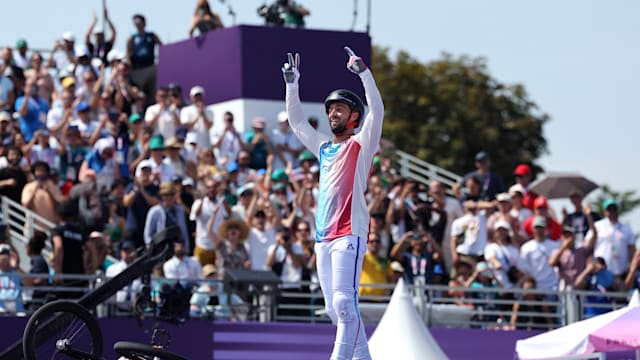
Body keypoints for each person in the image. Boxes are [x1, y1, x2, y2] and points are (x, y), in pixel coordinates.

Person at [282, 46, 383, 360]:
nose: (332, 114)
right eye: (330, 109)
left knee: (343, 303)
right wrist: (292, 84)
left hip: (349, 234)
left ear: (353, 115)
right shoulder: (323, 147)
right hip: (322, 238)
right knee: (333, 308)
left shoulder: (361, 145)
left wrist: (364, 73)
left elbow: (377, 111)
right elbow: (297, 123)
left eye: (339, 109)